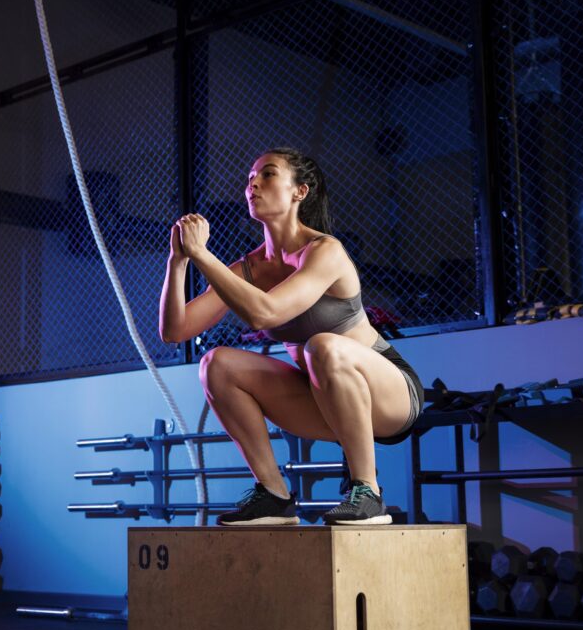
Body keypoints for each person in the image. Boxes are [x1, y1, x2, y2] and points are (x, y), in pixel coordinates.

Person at [158, 148, 423, 526]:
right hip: (322, 397)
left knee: (323, 346)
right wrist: (179, 260)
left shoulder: (325, 251)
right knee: (216, 364)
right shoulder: (250, 268)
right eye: (250, 177)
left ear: (300, 191)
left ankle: (367, 493)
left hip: (388, 394)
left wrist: (202, 254)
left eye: (267, 174)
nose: (253, 183)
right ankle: (273, 495)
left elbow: (265, 313)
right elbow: (175, 330)